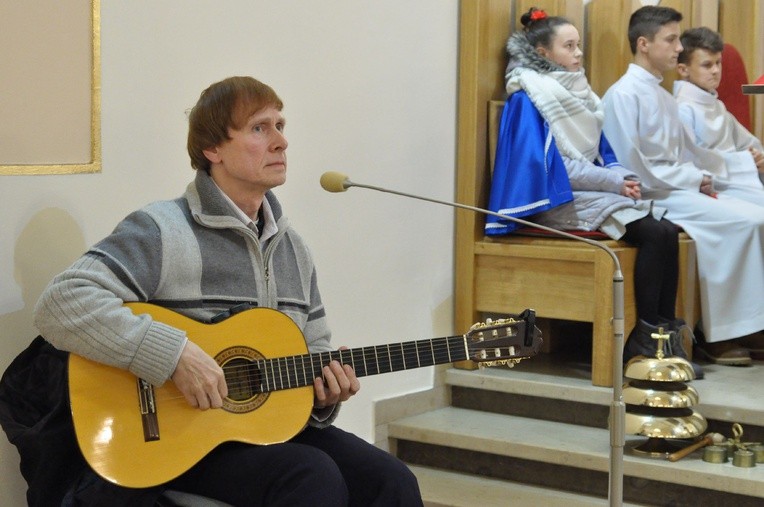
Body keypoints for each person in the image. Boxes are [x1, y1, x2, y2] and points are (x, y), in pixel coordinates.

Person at [21, 76, 423, 506]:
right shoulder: (163, 230)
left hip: (262, 431)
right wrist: (173, 354)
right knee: (311, 474)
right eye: (259, 128)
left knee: (392, 478)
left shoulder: (294, 250)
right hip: (180, 436)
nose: (280, 142)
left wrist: (324, 396)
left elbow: (313, 351)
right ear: (212, 150)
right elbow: (60, 303)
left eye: (280, 125)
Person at [484, 8, 702, 376]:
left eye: (579, 45)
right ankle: (642, 343)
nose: (579, 53)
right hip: (551, 200)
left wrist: (622, 177)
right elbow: (553, 170)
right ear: (542, 52)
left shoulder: (579, 92)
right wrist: (613, 183)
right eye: (569, 46)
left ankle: (664, 333)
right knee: (651, 234)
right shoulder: (529, 97)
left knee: (667, 229)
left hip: (587, 192)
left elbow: (604, 154)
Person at [601, 5, 764, 366]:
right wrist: (695, 178)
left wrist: (730, 166)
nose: (678, 49)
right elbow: (631, 167)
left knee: (755, 216)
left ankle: (746, 323)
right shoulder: (623, 94)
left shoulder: (660, 94)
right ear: (644, 44)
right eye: (671, 40)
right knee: (744, 222)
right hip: (651, 196)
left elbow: (695, 152)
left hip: (678, 188)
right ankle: (718, 332)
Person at [674, 26, 764, 186]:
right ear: (683, 69)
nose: (715, 70)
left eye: (718, 63)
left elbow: (749, 143)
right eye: (707, 65)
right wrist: (744, 161)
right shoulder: (682, 109)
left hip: (742, 177)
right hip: (716, 185)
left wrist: (758, 157)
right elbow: (691, 163)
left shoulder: (716, 104)